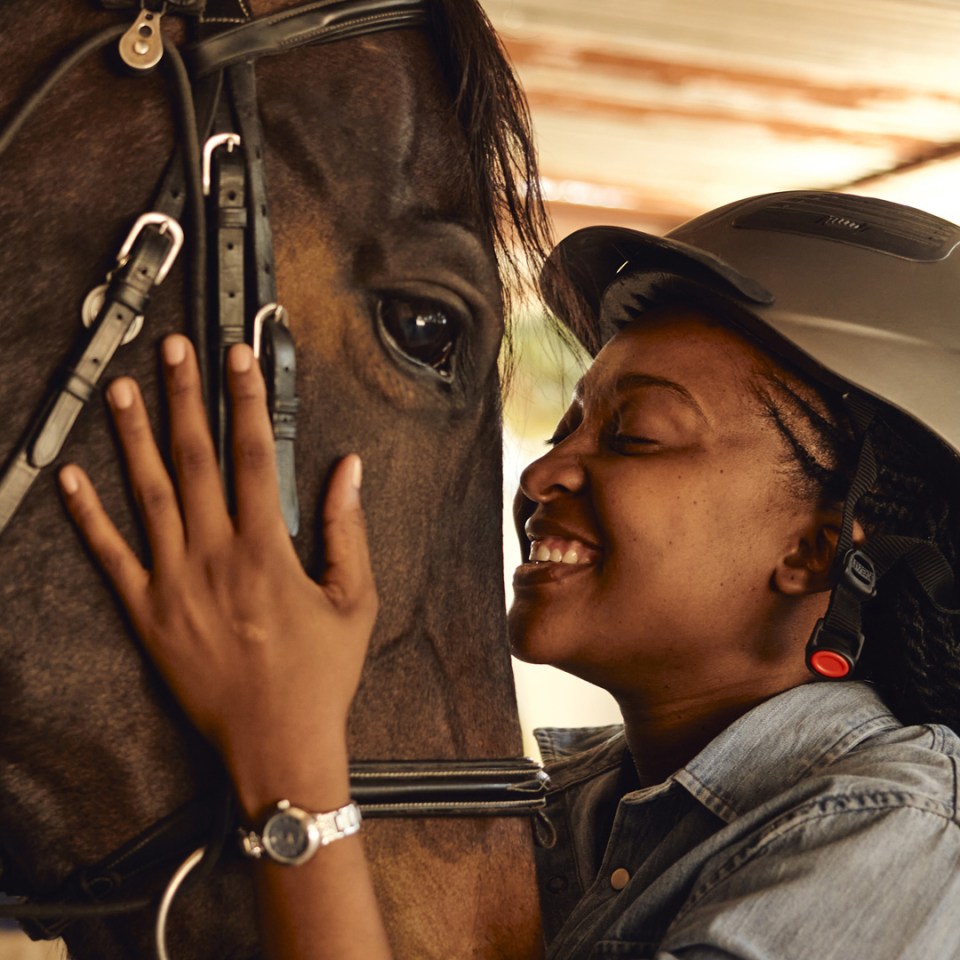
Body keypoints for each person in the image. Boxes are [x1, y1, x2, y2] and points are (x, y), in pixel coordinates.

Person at [58, 190, 960, 959]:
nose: (541, 474)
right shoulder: (553, 816)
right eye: (567, 427)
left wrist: (288, 759)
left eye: (634, 436)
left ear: (818, 549)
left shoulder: (894, 834)